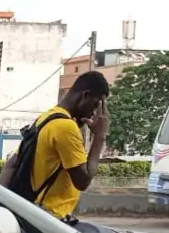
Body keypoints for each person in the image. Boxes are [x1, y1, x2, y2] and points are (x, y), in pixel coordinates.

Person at [23, 71, 110, 222]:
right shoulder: (65, 127)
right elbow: (83, 181)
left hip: (38, 212)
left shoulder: (47, 117)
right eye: (95, 106)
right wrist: (100, 136)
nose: (94, 113)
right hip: (50, 217)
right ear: (85, 96)